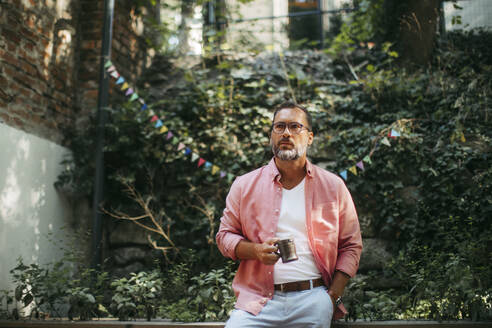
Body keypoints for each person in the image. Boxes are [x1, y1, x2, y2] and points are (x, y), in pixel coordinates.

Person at [216, 102, 363, 328]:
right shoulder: (244, 185)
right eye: (279, 127)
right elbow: (224, 237)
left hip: (313, 298)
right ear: (271, 135)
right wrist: (255, 250)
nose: (286, 132)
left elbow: (351, 245)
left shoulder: (333, 186)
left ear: (310, 137)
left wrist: (331, 296)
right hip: (258, 302)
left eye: (295, 127)